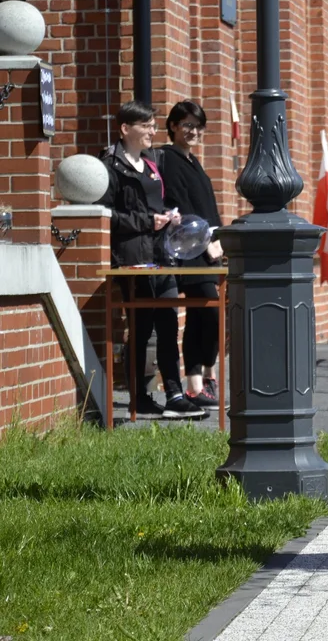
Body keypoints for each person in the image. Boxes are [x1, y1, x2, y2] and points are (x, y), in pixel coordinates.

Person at [96, 101, 204, 420]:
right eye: (146, 126)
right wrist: (146, 222)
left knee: (169, 324)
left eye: (154, 125)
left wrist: (169, 215)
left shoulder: (152, 161)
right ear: (125, 128)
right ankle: (139, 396)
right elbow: (105, 217)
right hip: (132, 259)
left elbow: (160, 202)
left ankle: (174, 393)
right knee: (141, 329)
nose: (152, 131)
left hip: (162, 255)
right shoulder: (109, 164)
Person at [159, 100, 224, 409]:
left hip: (210, 249)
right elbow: (180, 206)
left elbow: (208, 207)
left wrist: (220, 239)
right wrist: (207, 240)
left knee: (206, 314)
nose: (194, 131)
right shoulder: (169, 159)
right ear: (173, 126)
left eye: (198, 127)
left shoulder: (193, 161)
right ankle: (196, 384)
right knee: (207, 311)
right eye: (187, 125)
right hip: (190, 250)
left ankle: (204, 382)